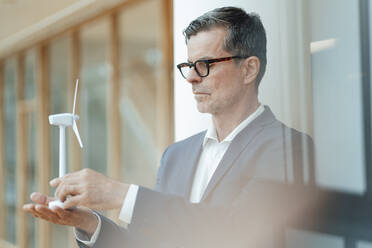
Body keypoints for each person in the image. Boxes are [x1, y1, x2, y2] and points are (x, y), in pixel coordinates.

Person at [24, 6, 314, 247]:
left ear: (249, 69)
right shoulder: (176, 155)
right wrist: (89, 223)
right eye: (189, 65)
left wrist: (120, 194)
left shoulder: (289, 148)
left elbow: (239, 231)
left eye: (205, 64)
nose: (191, 78)